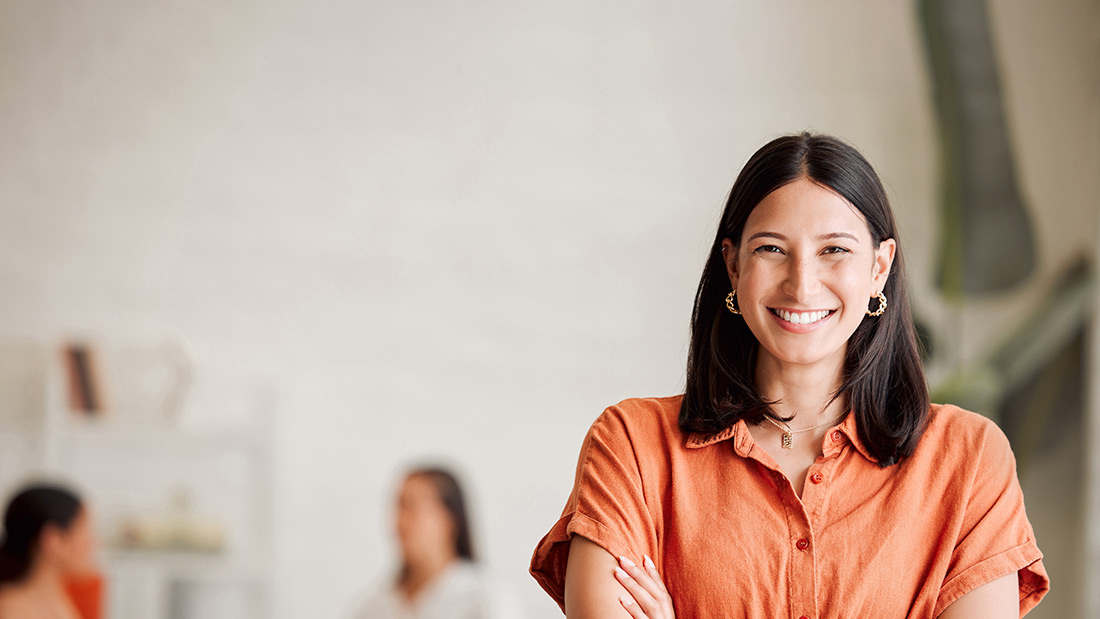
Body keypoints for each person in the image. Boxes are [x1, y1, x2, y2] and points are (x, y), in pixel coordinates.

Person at [529, 132, 1049, 618]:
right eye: (772, 249)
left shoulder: (969, 459)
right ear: (733, 266)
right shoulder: (632, 446)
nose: (802, 286)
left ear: (879, 267)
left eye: (834, 250)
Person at [351, 467, 514, 619]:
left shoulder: (486, 598)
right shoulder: (374, 604)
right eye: (398, 508)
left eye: (411, 506)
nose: (399, 522)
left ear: (450, 519)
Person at [0, 483, 97, 619]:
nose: (92, 543)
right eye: (83, 529)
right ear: (52, 540)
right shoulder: (10, 610)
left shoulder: (58, 600)